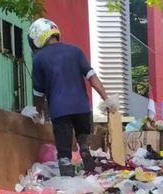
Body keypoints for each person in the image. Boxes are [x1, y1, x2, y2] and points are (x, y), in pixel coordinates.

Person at [28, 18, 118, 176]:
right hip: (82, 108)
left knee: (64, 154)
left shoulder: (39, 58)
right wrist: (106, 99)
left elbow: (38, 93)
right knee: (83, 137)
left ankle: (68, 184)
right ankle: (85, 152)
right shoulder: (75, 51)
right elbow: (92, 78)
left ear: (37, 37)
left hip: (59, 110)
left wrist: (39, 112)